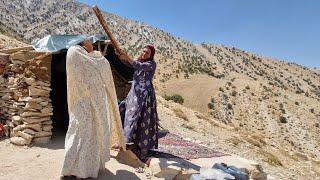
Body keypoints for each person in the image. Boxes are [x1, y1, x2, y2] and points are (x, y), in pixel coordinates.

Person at [61, 40, 125, 179]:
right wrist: (96, 54)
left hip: (80, 105)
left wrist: (94, 53)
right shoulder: (90, 58)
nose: (91, 44)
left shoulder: (71, 54)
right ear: (84, 45)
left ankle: (70, 170)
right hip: (93, 106)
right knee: (91, 136)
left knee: (77, 134)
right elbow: (104, 65)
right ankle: (85, 171)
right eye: (89, 43)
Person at [117, 45, 159, 161]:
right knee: (125, 113)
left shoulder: (151, 64)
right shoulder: (138, 61)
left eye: (147, 53)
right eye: (144, 51)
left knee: (141, 119)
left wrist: (127, 57)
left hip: (145, 96)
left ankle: (137, 145)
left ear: (151, 55)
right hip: (134, 94)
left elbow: (138, 66)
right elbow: (129, 64)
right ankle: (122, 139)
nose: (144, 54)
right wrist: (120, 56)